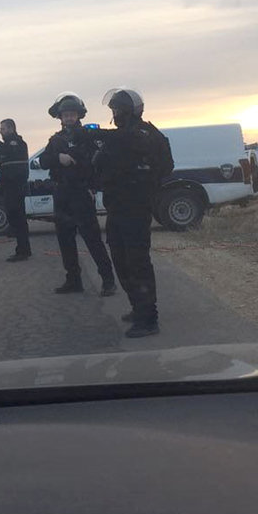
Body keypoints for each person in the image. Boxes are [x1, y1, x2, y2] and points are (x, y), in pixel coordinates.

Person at [93, 87, 174, 338]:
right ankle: (138, 306)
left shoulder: (145, 134)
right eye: (113, 110)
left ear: (130, 111)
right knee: (120, 259)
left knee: (137, 262)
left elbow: (165, 166)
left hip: (136, 208)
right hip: (116, 207)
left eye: (117, 109)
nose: (114, 114)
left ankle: (148, 319)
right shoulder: (120, 137)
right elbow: (101, 166)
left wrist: (142, 180)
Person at [38, 92, 117, 296]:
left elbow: (101, 164)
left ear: (78, 115)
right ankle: (73, 280)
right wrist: (58, 157)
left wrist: (93, 188)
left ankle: (108, 281)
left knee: (92, 240)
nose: (69, 118)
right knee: (65, 240)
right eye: (65, 115)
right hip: (62, 194)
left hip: (81, 193)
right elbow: (43, 161)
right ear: (60, 117)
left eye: (72, 114)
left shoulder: (88, 137)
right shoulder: (55, 140)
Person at [0, 118, 32, 261]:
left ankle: (23, 251)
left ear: (11, 129)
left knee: (19, 219)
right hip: (8, 187)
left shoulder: (16, 143)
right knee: (14, 217)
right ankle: (22, 248)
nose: (0, 131)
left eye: (3, 129)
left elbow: (3, 150)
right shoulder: (6, 145)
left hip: (16, 187)